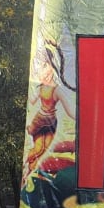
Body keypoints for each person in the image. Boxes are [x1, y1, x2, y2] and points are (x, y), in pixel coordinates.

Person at [23, 40, 75, 183]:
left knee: (44, 152)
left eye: (45, 66)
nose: (42, 73)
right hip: (39, 121)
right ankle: (26, 167)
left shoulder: (57, 90)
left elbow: (70, 110)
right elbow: (31, 101)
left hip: (51, 122)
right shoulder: (39, 87)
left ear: (53, 66)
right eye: (39, 68)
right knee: (38, 149)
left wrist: (82, 118)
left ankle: (29, 174)